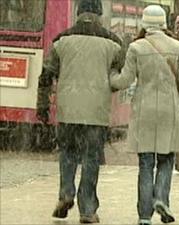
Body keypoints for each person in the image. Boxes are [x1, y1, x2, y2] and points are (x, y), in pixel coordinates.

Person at [110, 5, 179, 225]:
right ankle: (161, 198)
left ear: (144, 22)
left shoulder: (136, 48)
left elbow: (124, 81)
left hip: (144, 110)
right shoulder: (177, 47)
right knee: (166, 159)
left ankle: (144, 216)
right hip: (168, 111)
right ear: (163, 23)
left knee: (145, 164)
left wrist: (111, 77)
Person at [36, 0, 123, 223]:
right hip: (96, 112)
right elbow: (117, 78)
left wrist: (43, 107)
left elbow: (46, 76)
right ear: (100, 14)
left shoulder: (61, 40)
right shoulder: (113, 43)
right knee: (91, 158)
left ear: (78, 12)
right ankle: (87, 210)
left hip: (68, 110)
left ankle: (66, 194)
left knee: (67, 153)